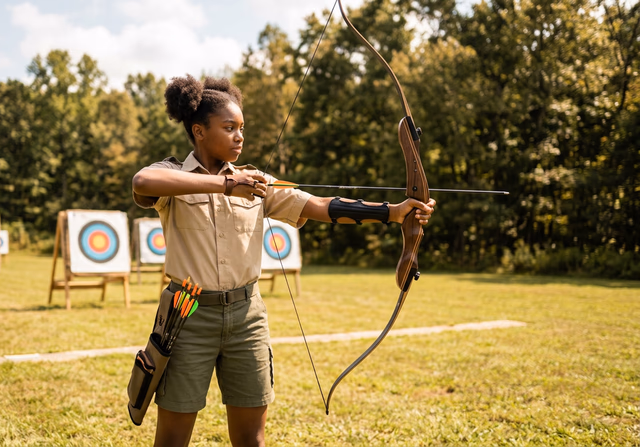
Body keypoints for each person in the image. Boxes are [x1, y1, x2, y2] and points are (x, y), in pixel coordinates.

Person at [132, 74, 436, 447]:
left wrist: (393, 212)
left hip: (247, 317)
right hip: (188, 316)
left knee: (252, 440)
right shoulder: (172, 175)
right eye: (229, 128)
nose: (240, 136)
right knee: (172, 441)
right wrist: (227, 185)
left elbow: (320, 205)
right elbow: (143, 183)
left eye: (242, 128)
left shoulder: (258, 182)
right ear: (198, 130)